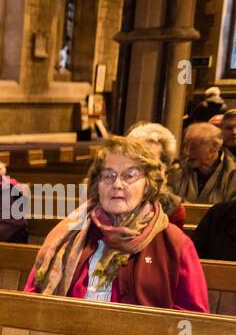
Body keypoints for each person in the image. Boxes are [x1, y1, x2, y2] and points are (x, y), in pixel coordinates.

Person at [25, 136, 209, 312]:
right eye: (108, 176)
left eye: (130, 175)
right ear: (97, 184)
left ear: (148, 185)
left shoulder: (175, 244)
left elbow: (192, 317)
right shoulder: (70, 233)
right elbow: (32, 297)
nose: (117, 184)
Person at [126, 122, 186, 226]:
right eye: (136, 160)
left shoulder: (171, 207)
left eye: (150, 163)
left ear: (165, 167)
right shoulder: (107, 192)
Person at [176, 123, 236, 205]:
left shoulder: (232, 173)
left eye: (193, 147)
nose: (186, 152)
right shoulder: (178, 170)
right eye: (185, 146)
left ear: (214, 147)